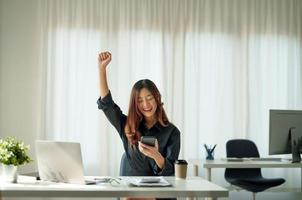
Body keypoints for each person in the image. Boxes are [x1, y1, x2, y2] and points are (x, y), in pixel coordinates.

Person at [97, 51, 181, 179]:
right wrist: (102, 69)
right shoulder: (126, 125)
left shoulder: (172, 132)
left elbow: (171, 173)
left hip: (158, 192)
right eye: (140, 100)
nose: (146, 104)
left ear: (157, 98)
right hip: (132, 191)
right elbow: (107, 104)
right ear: (135, 104)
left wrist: (156, 155)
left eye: (149, 98)